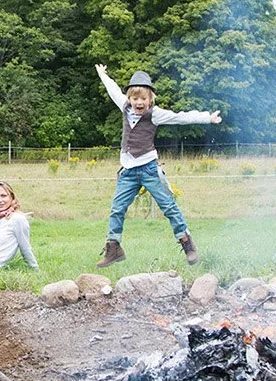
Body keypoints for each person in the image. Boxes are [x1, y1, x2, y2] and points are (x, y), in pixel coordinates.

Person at [94, 63, 222, 268]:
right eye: (135, 98)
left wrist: (207, 118)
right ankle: (114, 248)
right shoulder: (124, 107)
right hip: (127, 171)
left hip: (149, 169)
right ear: (130, 99)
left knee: (169, 207)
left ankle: (187, 243)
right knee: (117, 209)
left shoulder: (155, 114)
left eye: (143, 98)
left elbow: (180, 117)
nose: (138, 102)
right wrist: (102, 74)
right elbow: (113, 90)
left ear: (150, 99)